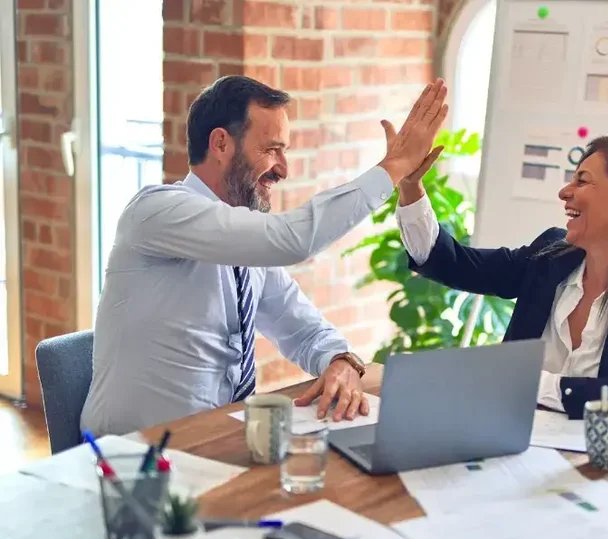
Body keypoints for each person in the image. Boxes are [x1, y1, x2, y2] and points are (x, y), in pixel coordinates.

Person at [81, 75, 448, 436]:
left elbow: (302, 327)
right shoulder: (157, 212)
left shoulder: (245, 244)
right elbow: (293, 239)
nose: (283, 169)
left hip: (218, 441)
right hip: (135, 457)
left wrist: (339, 361)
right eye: (272, 149)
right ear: (221, 144)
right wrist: (395, 166)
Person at [395, 135, 608, 427]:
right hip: (512, 440)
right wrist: (410, 185)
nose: (565, 192)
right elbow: (452, 263)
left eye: (582, 180)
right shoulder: (550, 257)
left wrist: (521, 380)